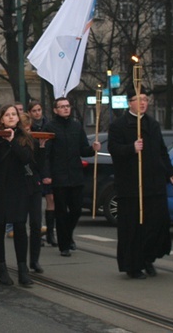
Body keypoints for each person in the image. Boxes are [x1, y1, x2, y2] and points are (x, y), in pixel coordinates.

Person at [109, 90, 173, 279]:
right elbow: (114, 149)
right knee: (133, 227)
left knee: (156, 223)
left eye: (145, 100)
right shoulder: (119, 125)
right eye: (138, 100)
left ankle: (148, 257)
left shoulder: (152, 124)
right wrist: (131, 148)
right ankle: (133, 265)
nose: (142, 103)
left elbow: (161, 151)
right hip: (131, 185)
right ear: (129, 103)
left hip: (154, 183)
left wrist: (170, 171)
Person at [0, 104, 36, 286]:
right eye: (7, 115)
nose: (11, 117)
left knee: (20, 227)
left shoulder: (24, 137)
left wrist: (12, 142)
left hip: (18, 189)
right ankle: (1, 267)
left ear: (18, 118)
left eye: (14, 114)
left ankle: (22, 269)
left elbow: (27, 158)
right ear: (1, 119)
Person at [42, 97, 100, 257]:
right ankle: (64, 245)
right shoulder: (50, 127)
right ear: (55, 110)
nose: (66, 109)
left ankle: (67, 235)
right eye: (62, 106)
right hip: (59, 176)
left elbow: (83, 149)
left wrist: (92, 148)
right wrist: (46, 174)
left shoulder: (76, 126)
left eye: (67, 106)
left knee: (76, 209)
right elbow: (46, 154)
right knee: (61, 211)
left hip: (75, 174)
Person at [20, 112, 47, 273]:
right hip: (20, 187)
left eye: (29, 128)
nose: (28, 132)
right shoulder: (16, 142)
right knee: (20, 224)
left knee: (36, 223)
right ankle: (22, 260)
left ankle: (34, 260)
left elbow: (39, 166)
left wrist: (42, 147)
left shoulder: (35, 142)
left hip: (34, 186)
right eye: (25, 128)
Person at [28, 101, 55, 247]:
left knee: (51, 199)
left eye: (39, 110)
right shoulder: (28, 127)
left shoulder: (48, 126)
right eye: (34, 111)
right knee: (35, 204)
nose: (37, 113)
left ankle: (50, 232)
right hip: (35, 169)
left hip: (48, 166)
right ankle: (36, 233)